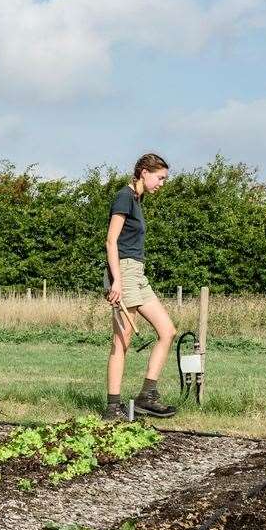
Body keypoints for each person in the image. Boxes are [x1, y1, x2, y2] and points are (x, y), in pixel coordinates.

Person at [105, 153, 178, 419]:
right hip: (124, 270)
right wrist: (117, 281)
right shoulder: (124, 196)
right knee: (122, 342)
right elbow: (111, 241)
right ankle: (113, 407)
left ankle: (147, 396)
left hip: (137, 273)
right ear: (144, 172)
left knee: (167, 331)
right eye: (160, 178)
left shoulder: (137, 198)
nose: (162, 183)